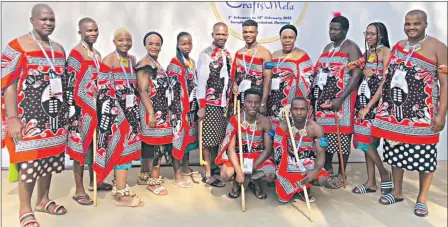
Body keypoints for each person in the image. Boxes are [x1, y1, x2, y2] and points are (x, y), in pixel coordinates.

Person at [371, 10, 447, 217]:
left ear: (425, 24)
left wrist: (442, 115)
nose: (411, 27)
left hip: (423, 116)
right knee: (395, 154)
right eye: (408, 23)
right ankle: (397, 191)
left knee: (425, 158)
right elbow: (388, 78)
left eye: (416, 24)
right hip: (395, 115)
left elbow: (445, 83)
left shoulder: (439, 48)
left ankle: (422, 198)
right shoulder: (398, 46)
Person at [1, 3, 68, 226]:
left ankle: (43, 200)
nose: (48, 23)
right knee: (29, 162)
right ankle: (25, 209)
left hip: (54, 117)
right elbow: (7, 84)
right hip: (27, 117)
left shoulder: (58, 48)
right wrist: (12, 118)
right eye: (43, 19)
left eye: (52, 19)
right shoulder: (16, 46)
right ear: (32, 20)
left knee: (48, 160)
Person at [308, 12, 362, 189]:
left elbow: (356, 75)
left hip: (342, 102)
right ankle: (328, 167)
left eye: (336, 29)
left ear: (345, 30)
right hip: (324, 101)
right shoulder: (328, 48)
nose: (332, 32)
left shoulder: (351, 48)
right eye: (330, 29)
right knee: (326, 134)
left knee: (341, 137)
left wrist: (341, 98)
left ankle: (342, 173)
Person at [66, 17, 113, 206]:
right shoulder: (76, 54)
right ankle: (79, 189)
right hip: (79, 110)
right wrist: (74, 109)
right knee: (80, 150)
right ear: (80, 33)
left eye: (95, 30)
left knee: (94, 147)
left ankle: (95, 182)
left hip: (96, 108)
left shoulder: (97, 54)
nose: (93, 33)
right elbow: (70, 84)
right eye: (88, 31)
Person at [100, 27, 143, 207]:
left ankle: (120, 186)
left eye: (128, 40)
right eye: (120, 40)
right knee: (121, 151)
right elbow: (103, 91)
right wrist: (118, 115)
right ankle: (122, 195)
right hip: (116, 115)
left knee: (126, 151)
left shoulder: (132, 60)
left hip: (132, 112)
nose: (125, 43)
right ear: (114, 41)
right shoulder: (108, 60)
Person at [136, 31, 183, 196]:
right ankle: (154, 182)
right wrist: (151, 113)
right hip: (153, 112)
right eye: (151, 44)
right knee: (156, 146)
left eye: (157, 44)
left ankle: (144, 175)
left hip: (160, 113)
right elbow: (142, 91)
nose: (154, 47)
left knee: (150, 146)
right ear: (145, 45)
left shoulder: (155, 62)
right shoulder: (144, 64)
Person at [348, 22, 393, 195]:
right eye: (366, 33)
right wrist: (363, 67)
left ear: (381, 35)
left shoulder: (386, 52)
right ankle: (371, 182)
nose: (368, 37)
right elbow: (350, 65)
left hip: (375, 103)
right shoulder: (367, 54)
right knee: (365, 141)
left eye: (372, 34)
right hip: (362, 99)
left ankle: (383, 172)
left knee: (368, 141)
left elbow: (385, 81)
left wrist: (368, 106)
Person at [216, 88, 276, 199]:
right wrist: (239, 172)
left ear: (260, 104)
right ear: (244, 103)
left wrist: (253, 167)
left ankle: (255, 180)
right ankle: (236, 182)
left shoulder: (265, 121)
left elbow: (268, 149)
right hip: (239, 156)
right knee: (226, 173)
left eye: (256, 102)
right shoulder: (235, 120)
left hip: (257, 156)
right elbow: (231, 149)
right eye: (249, 102)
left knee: (270, 175)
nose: (253, 105)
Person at [196, 22, 232, 187]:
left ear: (227, 36)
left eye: (224, 34)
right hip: (210, 104)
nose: (221, 37)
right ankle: (208, 173)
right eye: (218, 34)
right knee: (208, 141)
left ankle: (216, 168)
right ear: (213, 35)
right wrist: (202, 106)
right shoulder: (206, 55)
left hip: (225, 105)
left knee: (219, 139)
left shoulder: (228, 55)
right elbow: (201, 83)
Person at [273, 97, 329, 203]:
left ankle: (305, 189)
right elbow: (278, 151)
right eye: (295, 109)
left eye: (302, 109)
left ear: (308, 111)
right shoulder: (284, 125)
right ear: (291, 110)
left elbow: (321, 154)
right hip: (288, 160)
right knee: (283, 190)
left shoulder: (316, 128)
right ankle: (298, 189)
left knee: (322, 179)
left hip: (308, 161)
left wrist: (315, 171)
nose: (299, 112)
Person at [166, 31, 202, 188]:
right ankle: (177, 173)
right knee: (178, 140)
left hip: (191, 108)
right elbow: (172, 92)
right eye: (183, 44)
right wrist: (179, 112)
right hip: (179, 111)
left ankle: (186, 167)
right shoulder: (174, 64)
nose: (187, 46)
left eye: (189, 43)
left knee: (188, 139)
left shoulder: (191, 62)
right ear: (177, 45)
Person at [267, 24, 314, 125]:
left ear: (295, 38)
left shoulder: (302, 56)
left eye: (290, 38)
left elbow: (306, 83)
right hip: (273, 101)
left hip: (290, 104)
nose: (287, 40)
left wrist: (295, 105)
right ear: (280, 39)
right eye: (284, 38)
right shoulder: (274, 54)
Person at [231, 19, 273, 115]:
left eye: (251, 32)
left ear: (257, 33)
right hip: (240, 99)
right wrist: (234, 85)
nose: (248, 35)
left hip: (256, 100)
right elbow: (233, 75)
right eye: (245, 32)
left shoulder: (265, 53)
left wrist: (263, 103)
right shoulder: (239, 52)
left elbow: (268, 78)